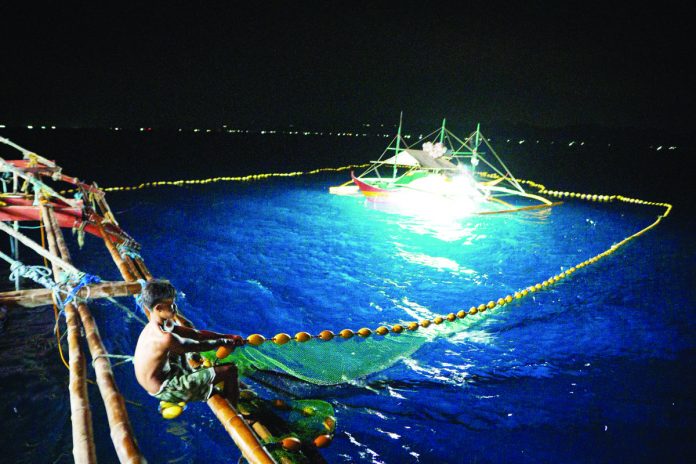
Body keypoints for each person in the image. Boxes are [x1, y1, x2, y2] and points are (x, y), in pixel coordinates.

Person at [133, 280, 244, 406]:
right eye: (171, 304)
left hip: (158, 375)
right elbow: (198, 345)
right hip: (165, 388)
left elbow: (197, 335)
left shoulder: (156, 325)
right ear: (158, 308)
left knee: (184, 347)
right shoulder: (165, 337)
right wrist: (225, 342)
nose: (175, 307)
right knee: (230, 370)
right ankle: (235, 409)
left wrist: (228, 336)